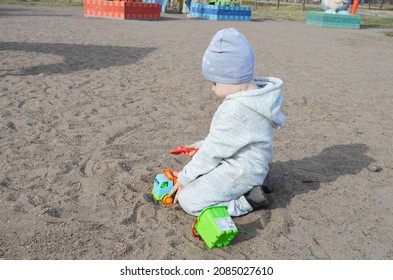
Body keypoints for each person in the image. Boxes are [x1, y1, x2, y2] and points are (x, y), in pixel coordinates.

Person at [168, 28, 285, 217]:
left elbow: (214, 151)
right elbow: (227, 139)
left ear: (231, 78)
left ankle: (246, 200)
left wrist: (185, 177)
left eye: (214, 83)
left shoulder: (235, 110)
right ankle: (257, 181)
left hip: (240, 172)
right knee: (205, 173)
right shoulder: (258, 98)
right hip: (253, 165)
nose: (212, 90)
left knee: (188, 199)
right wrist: (199, 146)